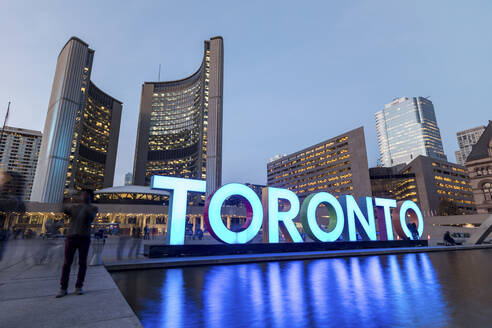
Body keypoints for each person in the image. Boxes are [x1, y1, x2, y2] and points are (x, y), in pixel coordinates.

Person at [56, 189, 98, 298]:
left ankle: (79, 286)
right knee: (66, 263)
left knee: (82, 263)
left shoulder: (93, 208)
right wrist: (67, 199)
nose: (84, 196)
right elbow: (64, 209)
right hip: (71, 237)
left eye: (87, 195)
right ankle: (63, 288)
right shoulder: (74, 207)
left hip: (84, 238)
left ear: (90, 197)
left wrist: (85, 204)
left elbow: (90, 216)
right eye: (83, 194)